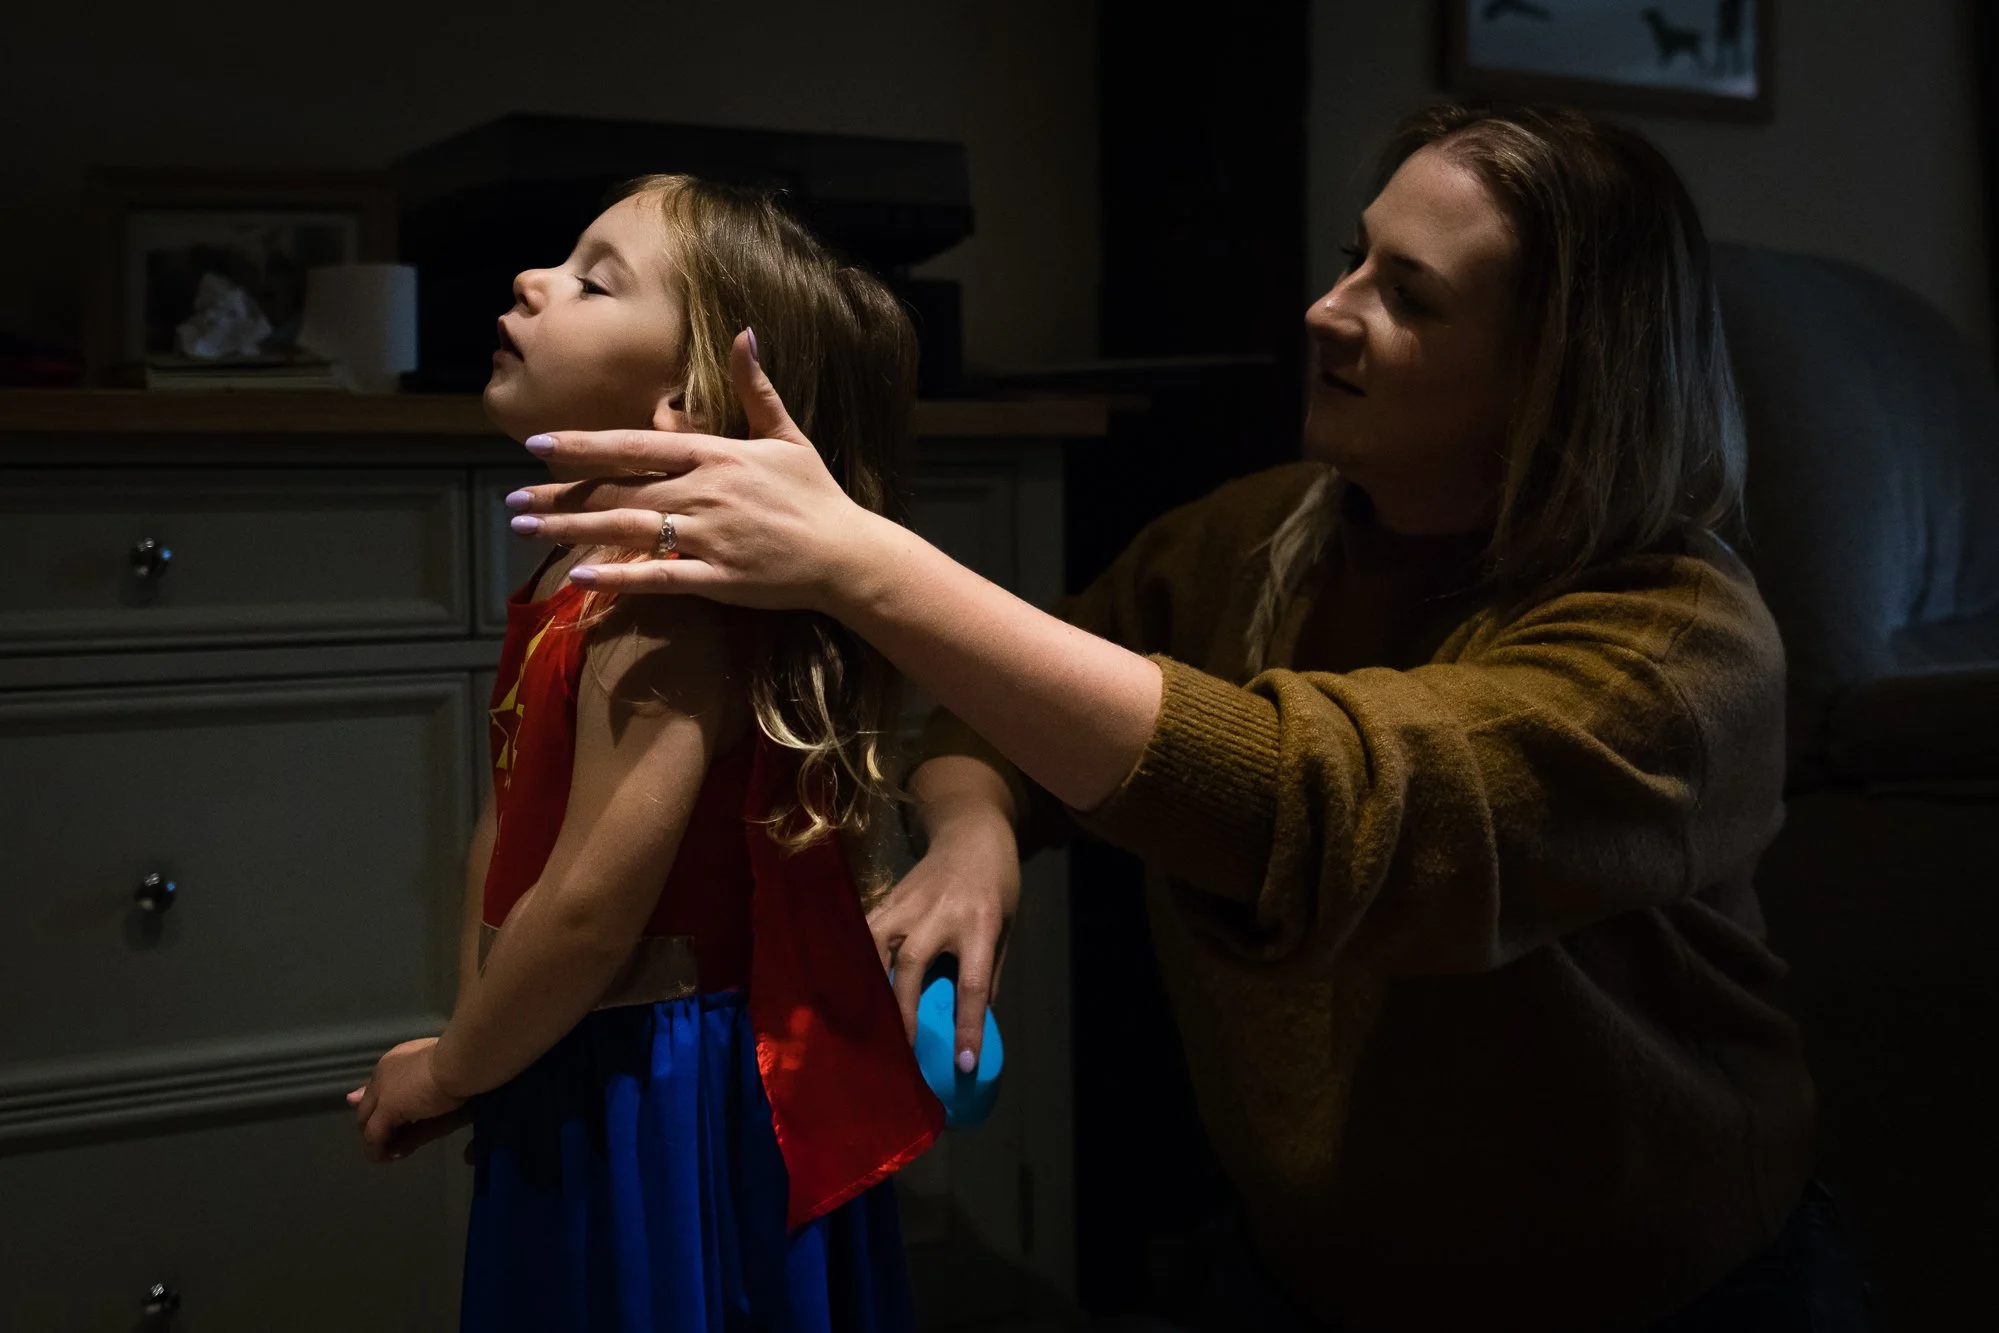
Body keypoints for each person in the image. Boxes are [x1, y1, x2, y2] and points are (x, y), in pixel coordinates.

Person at [503, 105, 1871, 1329]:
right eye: (1349, 258)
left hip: (1656, 1295)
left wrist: (861, 562)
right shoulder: (1252, 537)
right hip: (1300, 1268)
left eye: (1407, 296)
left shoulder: (1678, 652)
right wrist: (972, 834)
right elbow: (1007, 707)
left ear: (1554, 374)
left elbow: (1314, 806)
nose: (1326, 313)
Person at [346, 175, 943, 1332]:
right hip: (570, 1040)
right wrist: (487, 1036)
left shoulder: (659, 612)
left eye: (591, 278)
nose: (532, 278)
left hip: (660, 1088)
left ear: (682, 399)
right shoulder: (571, 582)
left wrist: (459, 1063)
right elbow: (510, 830)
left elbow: (585, 910)